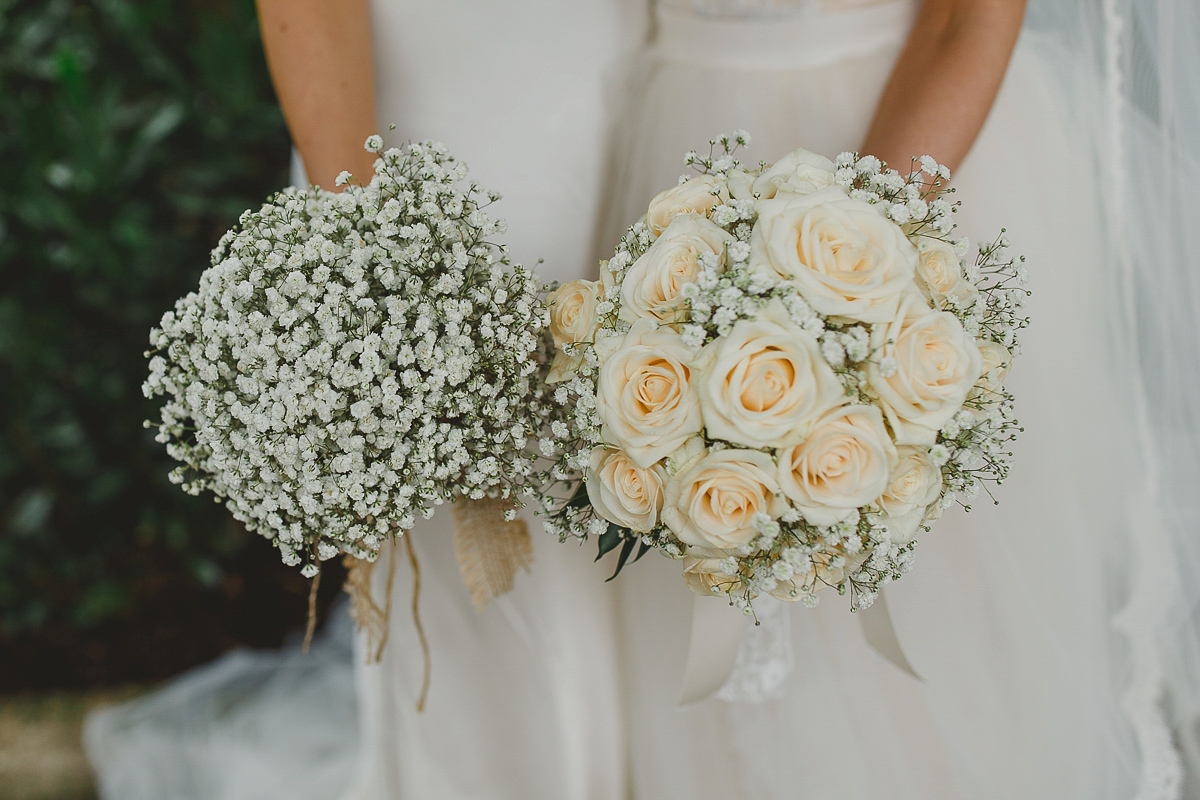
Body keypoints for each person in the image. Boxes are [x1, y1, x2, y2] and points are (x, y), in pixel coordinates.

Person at [87, 0, 1200, 798]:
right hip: (670, 141)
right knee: (673, 629)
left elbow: (972, 18)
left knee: (911, 643)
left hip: (883, 163)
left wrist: (846, 275)